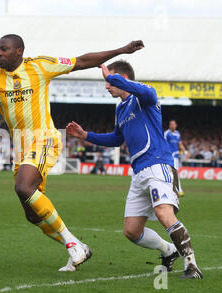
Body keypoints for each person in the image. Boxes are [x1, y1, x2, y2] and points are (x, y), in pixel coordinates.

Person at [0, 34, 145, 271]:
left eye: (4, 49)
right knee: (31, 213)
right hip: (22, 148)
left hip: (44, 139)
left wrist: (121, 50)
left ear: (19, 51)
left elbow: (81, 61)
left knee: (23, 187)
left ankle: (72, 245)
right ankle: (78, 245)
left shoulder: (39, 66)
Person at [66, 60, 203, 279]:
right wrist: (86, 136)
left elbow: (137, 88)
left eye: (110, 82)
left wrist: (109, 75)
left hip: (158, 165)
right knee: (131, 231)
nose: (107, 86)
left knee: (163, 213)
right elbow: (117, 138)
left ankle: (192, 266)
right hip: (139, 172)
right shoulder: (120, 108)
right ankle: (169, 251)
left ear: (123, 79)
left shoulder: (145, 96)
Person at [164, 120, 186, 196]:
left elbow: (180, 144)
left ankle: (178, 190)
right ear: (169, 125)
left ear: (176, 125)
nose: (172, 126)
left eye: (173, 124)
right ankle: (172, 189)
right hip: (168, 156)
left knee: (175, 172)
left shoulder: (177, 134)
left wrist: (185, 152)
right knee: (169, 172)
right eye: (171, 124)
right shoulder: (166, 133)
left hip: (175, 156)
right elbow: (163, 144)